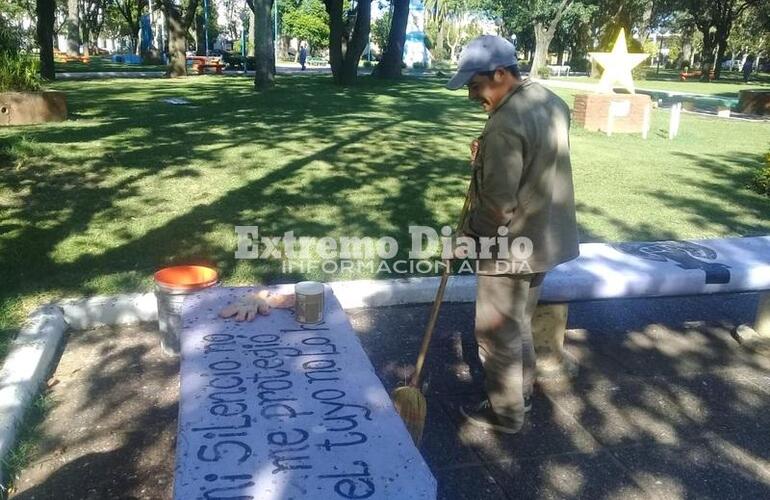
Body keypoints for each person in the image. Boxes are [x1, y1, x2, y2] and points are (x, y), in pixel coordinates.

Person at [445, 35, 580, 434]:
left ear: (500, 74)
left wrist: (466, 239)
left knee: (495, 333)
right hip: (547, 240)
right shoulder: (549, 101)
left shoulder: (504, 124)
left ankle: (505, 414)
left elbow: (496, 207)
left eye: (474, 85)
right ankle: (521, 392)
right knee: (519, 321)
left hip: (511, 245)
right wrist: (486, 157)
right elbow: (535, 161)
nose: (471, 96)